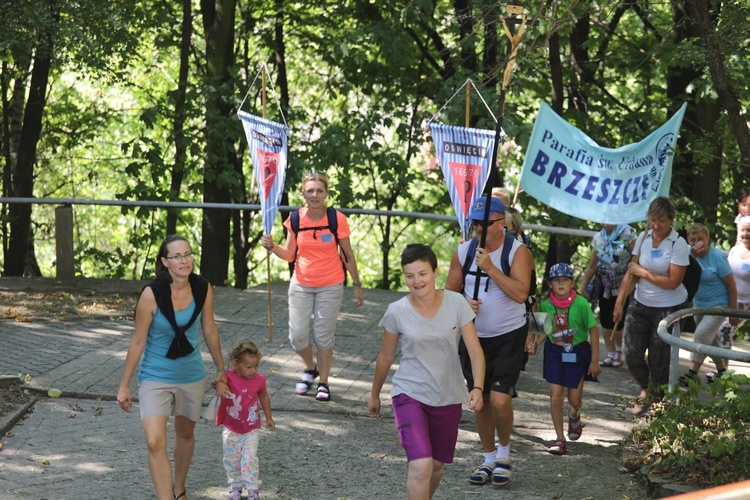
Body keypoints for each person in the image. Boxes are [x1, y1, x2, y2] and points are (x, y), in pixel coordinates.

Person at [368, 244, 485, 499]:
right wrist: (374, 394)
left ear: (435, 271)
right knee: (421, 465)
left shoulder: (457, 303)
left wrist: (477, 386)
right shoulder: (397, 311)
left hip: (449, 394)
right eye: (409, 275)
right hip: (409, 393)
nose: (416, 281)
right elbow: (386, 356)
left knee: (437, 466)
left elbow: (475, 350)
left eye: (422, 273)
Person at [117, 235, 226, 500]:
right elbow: (138, 340)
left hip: (191, 374)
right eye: (177, 256)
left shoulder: (203, 288)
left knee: (185, 433)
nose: (184, 260)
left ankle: (179, 487)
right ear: (165, 262)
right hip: (155, 376)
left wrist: (221, 369)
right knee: (155, 440)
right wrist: (124, 385)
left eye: (187, 254)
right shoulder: (151, 294)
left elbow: (209, 329)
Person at [444, 196, 534, 487]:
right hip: (474, 338)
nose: (480, 228)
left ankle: (505, 454)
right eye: (476, 223)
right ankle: (489, 458)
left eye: (487, 223)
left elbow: (521, 294)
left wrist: (491, 268)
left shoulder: (518, 252)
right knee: (479, 402)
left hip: (509, 335)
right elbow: (449, 292)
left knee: (499, 398)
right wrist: (462, 303)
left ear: (502, 224)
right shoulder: (463, 251)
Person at [261, 172, 364, 402]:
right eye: (310, 191)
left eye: (319, 191)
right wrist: (272, 246)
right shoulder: (295, 219)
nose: (315, 195)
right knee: (297, 336)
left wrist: (357, 285)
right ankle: (310, 367)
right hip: (301, 283)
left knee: (323, 338)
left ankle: (324, 383)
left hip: (331, 284)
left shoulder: (336, 219)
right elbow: (289, 255)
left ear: (326, 193)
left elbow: (347, 255)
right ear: (303, 193)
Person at [613, 197, 690, 415]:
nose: (656, 226)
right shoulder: (643, 237)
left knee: (659, 359)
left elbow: (673, 281)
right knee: (631, 353)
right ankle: (647, 389)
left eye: (662, 221)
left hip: (669, 306)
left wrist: (644, 273)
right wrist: (619, 303)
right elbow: (632, 272)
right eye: (653, 220)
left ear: (671, 220)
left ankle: (656, 400)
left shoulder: (679, 243)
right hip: (640, 302)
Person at [530, 263, 600, 455]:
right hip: (554, 353)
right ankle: (560, 439)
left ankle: (574, 415)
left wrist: (595, 360)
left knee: (575, 400)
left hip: (577, 352)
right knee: (555, 397)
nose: (561, 284)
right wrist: (535, 344)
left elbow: (593, 332)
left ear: (572, 283)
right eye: (556, 280)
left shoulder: (581, 304)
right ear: (550, 284)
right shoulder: (544, 304)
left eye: (565, 280)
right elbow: (542, 330)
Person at [676, 224, 738, 386]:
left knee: (702, 334)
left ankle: (692, 372)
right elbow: (683, 278)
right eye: (693, 240)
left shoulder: (717, 257)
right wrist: (693, 258)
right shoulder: (688, 256)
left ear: (707, 239)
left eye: (700, 239)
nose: (697, 243)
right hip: (699, 304)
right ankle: (722, 371)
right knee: (710, 340)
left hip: (720, 304)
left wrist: (733, 311)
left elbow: (731, 285)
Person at [213, 340, 275, 500]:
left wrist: (268, 416)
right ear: (235, 364)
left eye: (256, 366)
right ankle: (235, 486)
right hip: (231, 428)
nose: (253, 370)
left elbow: (263, 396)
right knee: (231, 459)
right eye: (249, 367)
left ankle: (253, 489)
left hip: (251, 428)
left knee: (249, 458)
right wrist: (219, 385)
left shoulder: (259, 379)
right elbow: (220, 382)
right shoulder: (229, 376)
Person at [580, 224, 637, 368]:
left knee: (618, 318)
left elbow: (637, 259)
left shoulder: (628, 233)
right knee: (605, 319)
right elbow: (593, 265)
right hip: (604, 283)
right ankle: (611, 353)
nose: (606, 221)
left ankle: (620, 350)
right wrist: (584, 285)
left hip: (624, 282)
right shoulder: (599, 237)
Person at [716, 215, 750, 379]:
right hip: (727, 298)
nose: (745, 234)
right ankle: (721, 369)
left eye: (749, 230)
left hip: (745, 303)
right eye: (743, 230)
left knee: (725, 329)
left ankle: (724, 371)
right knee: (713, 328)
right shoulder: (735, 250)